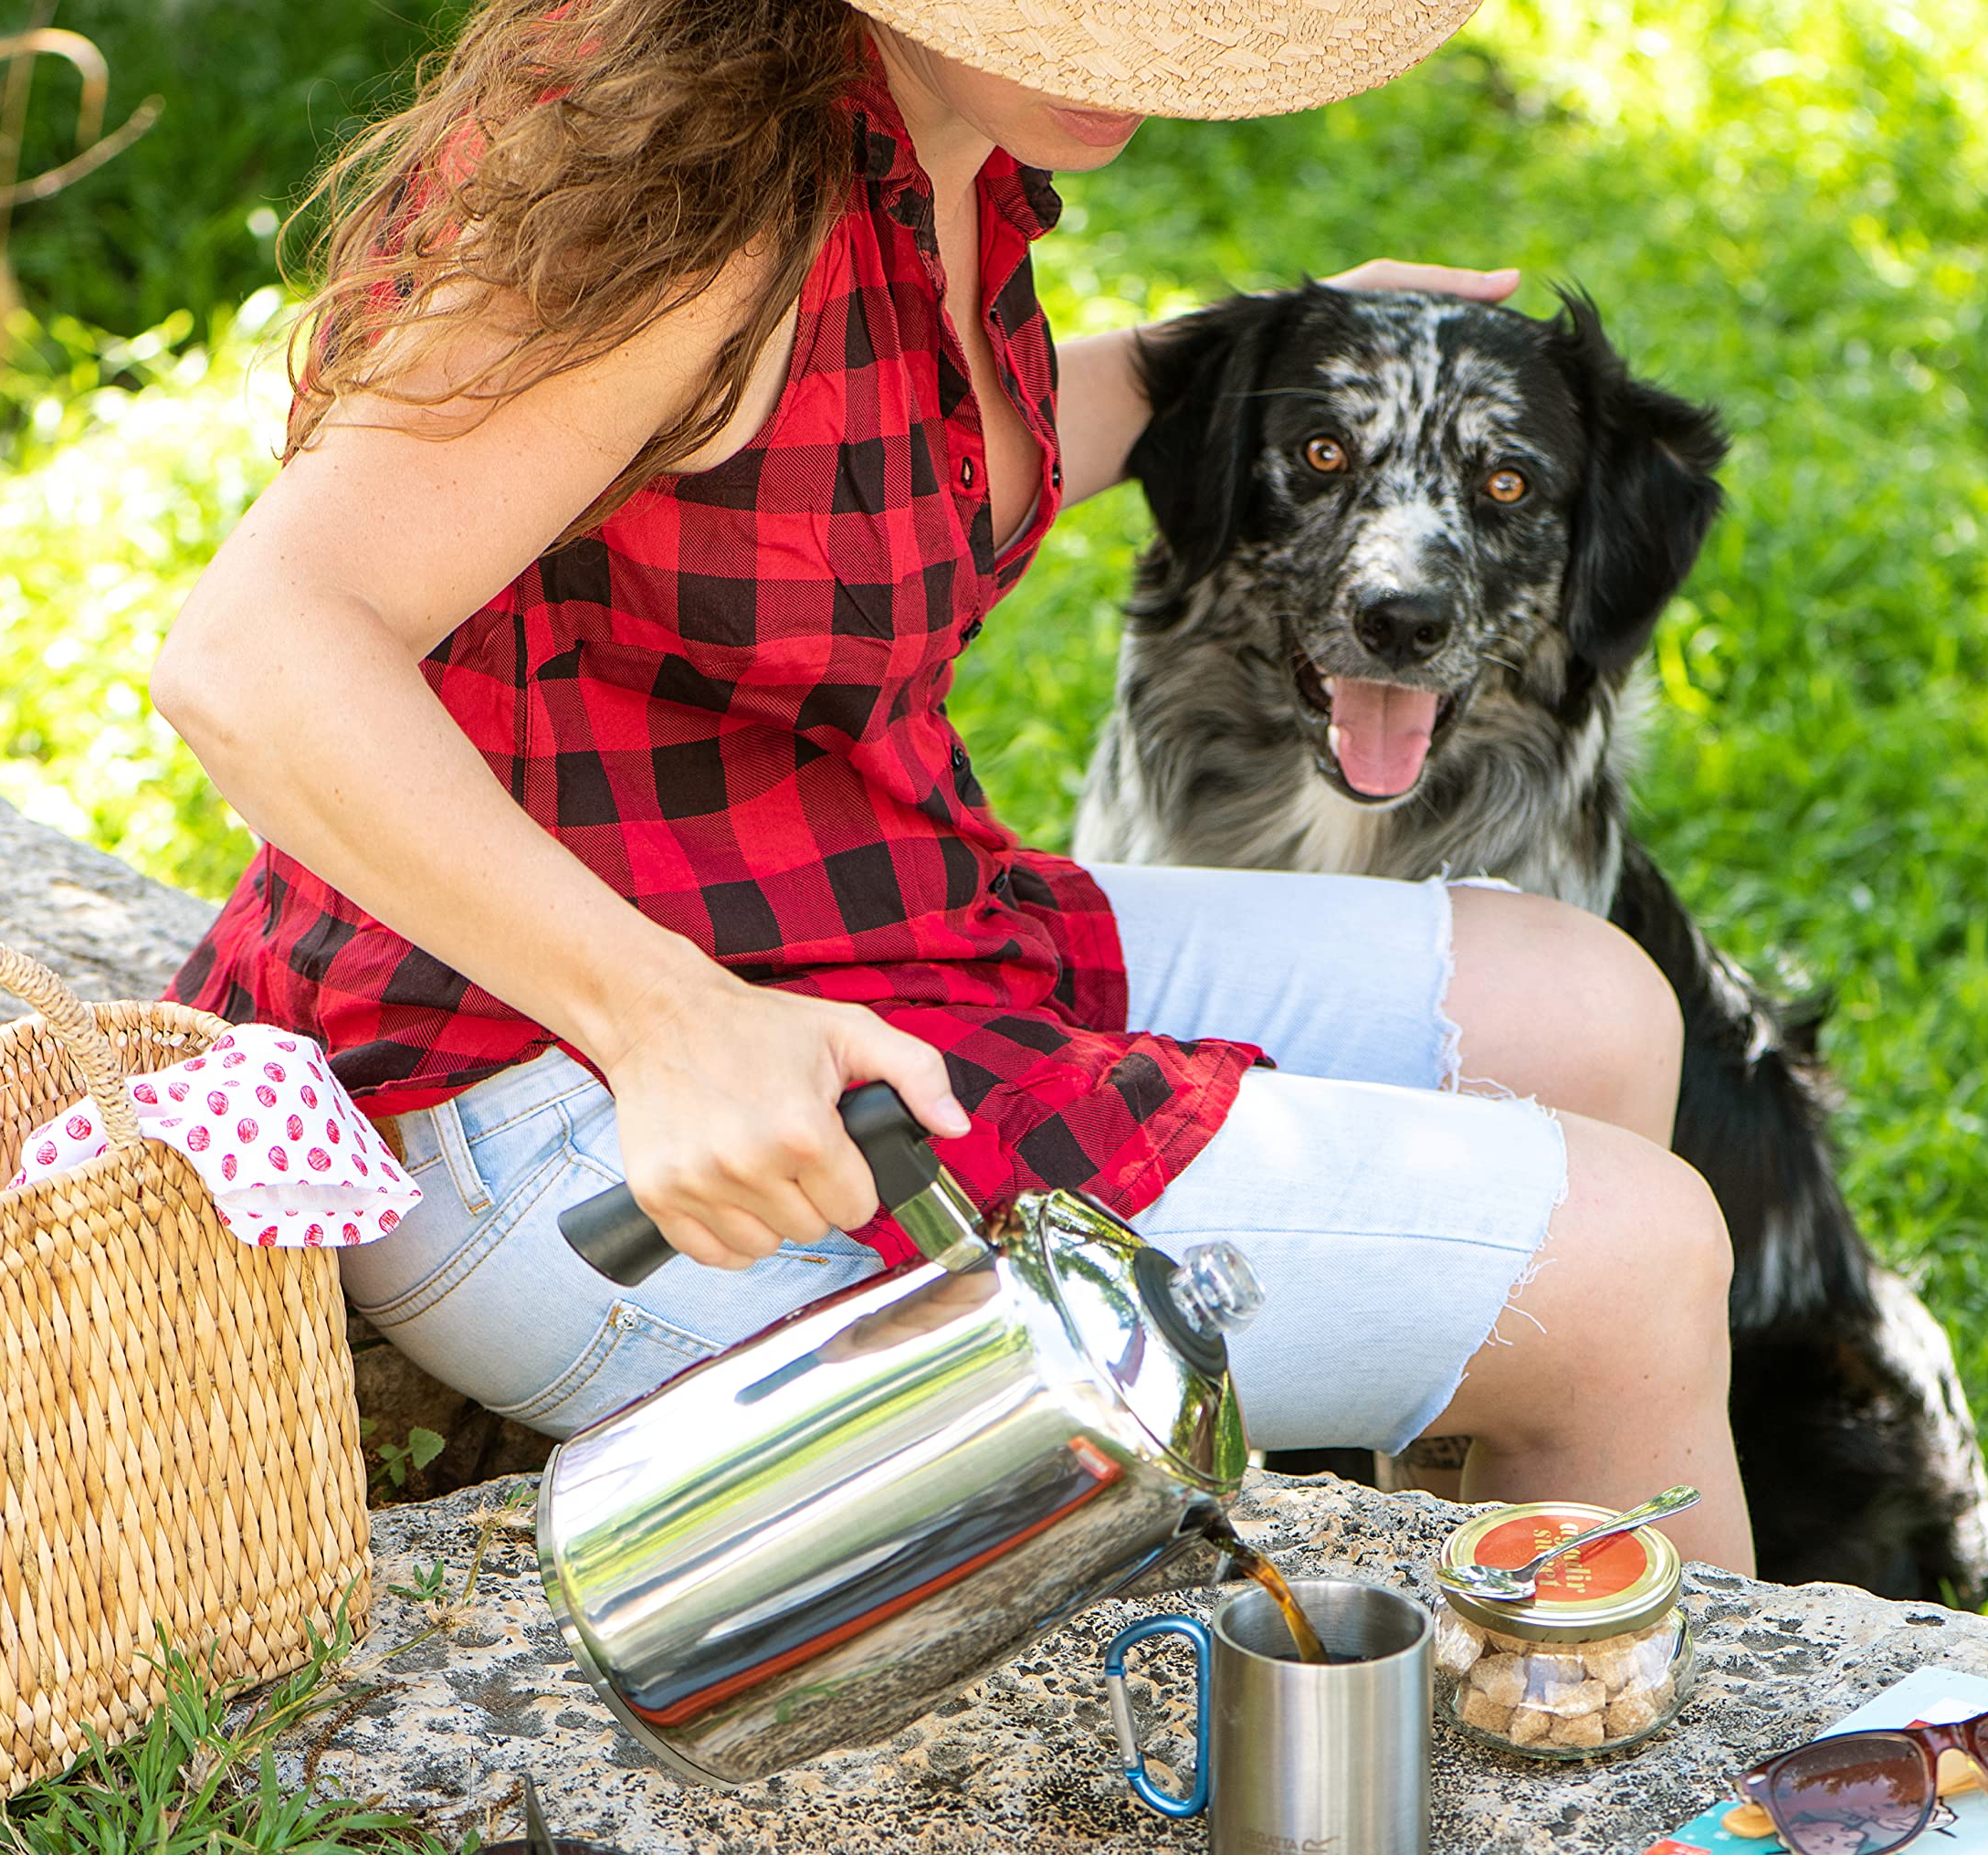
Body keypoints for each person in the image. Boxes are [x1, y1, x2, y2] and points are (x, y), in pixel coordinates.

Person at [153, 0, 1754, 1575]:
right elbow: (259, 649)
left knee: (1590, 1009)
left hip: (845, 923)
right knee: (1633, 1269)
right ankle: (1668, 1807)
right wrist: (668, 1021)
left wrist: (1251, 360)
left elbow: (884, 455)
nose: (1154, 55)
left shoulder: (929, 145)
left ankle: (1474, 1611)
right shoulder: (693, 189)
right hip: (560, 1102)